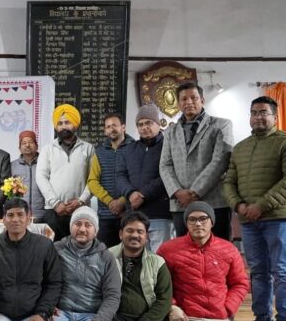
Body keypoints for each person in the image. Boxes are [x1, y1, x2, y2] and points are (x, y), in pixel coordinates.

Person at [223, 95, 286, 321]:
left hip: (277, 218)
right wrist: (239, 205)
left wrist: (261, 205)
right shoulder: (241, 147)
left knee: (283, 272)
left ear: (274, 117)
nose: (258, 116)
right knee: (257, 272)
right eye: (254, 112)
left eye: (264, 112)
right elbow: (229, 182)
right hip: (249, 220)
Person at [157, 201, 248, 321]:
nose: (198, 223)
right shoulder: (168, 249)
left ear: (211, 222)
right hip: (185, 317)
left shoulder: (229, 250)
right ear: (186, 223)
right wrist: (171, 307)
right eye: (192, 219)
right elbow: (158, 283)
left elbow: (240, 283)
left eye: (203, 218)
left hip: (219, 317)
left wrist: (228, 309)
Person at [0, 198, 62, 321]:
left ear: (29, 217)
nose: (15, 220)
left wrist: (42, 313)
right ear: (4, 219)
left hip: (33, 313)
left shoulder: (44, 245)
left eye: (20, 215)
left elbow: (54, 283)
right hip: (1, 314)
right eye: (10, 215)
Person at [160, 82, 234, 239]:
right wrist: (177, 192)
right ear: (179, 103)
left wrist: (194, 193)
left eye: (193, 98)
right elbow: (165, 165)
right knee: (185, 253)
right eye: (184, 99)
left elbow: (220, 161)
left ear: (202, 100)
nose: (188, 102)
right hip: (180, 204)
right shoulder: (170, 131)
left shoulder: (221, 125)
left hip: (214, 202)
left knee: (219, 251)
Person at [49, 207, 121, 321]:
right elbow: (43, 280)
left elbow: (113, 295)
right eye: (78, 224)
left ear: (96, 230)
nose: (82, 229)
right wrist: (48, 306)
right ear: (71, 227)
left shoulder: (106, 256)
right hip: (61, 313)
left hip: (91, 315)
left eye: (88, 225)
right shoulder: (57, 249)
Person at [105, 211, 172, 321]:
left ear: (147, 237)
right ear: (121, 234)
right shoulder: (107, 257)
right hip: (117, 317)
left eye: (140, 232)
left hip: (147, 318)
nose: (135, 235)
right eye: (130, 230)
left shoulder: (157, 262)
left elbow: (164, 299)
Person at [115, 104, 172, 251]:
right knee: (135, 260)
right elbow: (120, 176)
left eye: (149, 123)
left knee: (159, 260)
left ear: (158, 124)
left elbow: (168, 175)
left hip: (160, 214)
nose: (144, 127)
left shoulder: (168, 146)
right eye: (140, 124)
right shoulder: (128, 149)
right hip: (133, 215)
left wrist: (143, 195)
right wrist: (131, 193)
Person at [35, 104, 94, 241]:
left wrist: (81, 201)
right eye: (60, 123)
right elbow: (41, 177)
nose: (63, 126)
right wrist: (56, 203)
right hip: (53, 211)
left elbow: (93, 179)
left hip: (81, 210)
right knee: (52, 252)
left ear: (75, 124)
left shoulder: (88, 149)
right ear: (56, 127)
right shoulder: (47, 149)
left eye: (67, 122)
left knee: (80, 250)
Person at [87, 112, 134, 247]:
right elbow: (92, 181)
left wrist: (122, 201)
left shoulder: (135, 148)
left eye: (115, 125)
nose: (111, 129)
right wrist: (110, 202)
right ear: (105, 130)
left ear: (123, 127)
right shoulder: (99, 152)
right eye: (108, 127)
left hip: (129, 213)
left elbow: (137, 178)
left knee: (130, 254)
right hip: (106, 215)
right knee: (106, 257)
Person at [11, 130, 46, 221]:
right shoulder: (12, 166)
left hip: (42, 215)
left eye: (31, 142)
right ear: (19, 148)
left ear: (37, 146)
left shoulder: (45, 163)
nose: (27, 145)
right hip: (19, 216)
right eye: (24, 143)